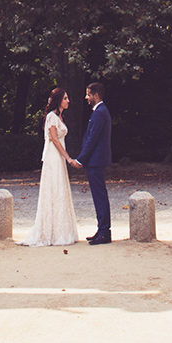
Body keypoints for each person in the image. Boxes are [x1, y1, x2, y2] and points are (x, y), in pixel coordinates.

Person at [21, 87, 80, 246]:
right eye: (65, 98)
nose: (68, 101)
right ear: (59, 100)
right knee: (54, 190)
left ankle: (61, 230)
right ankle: (50, 232)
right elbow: (54, 139)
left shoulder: (59, 117)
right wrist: (67, 157)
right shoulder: (51, 117)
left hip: (58, 157)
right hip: (54, 157)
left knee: (60, 190)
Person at [70, 81, 112, 244]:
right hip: (96, 160)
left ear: (96, 95)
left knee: (99, 196)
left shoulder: (100, 112)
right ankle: (101, 229)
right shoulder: (100, 111)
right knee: (98, 196)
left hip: (96, 161)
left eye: (88, 94)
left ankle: (104, 232)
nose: (86, 97)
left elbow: (92, 139)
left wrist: (81, 159)